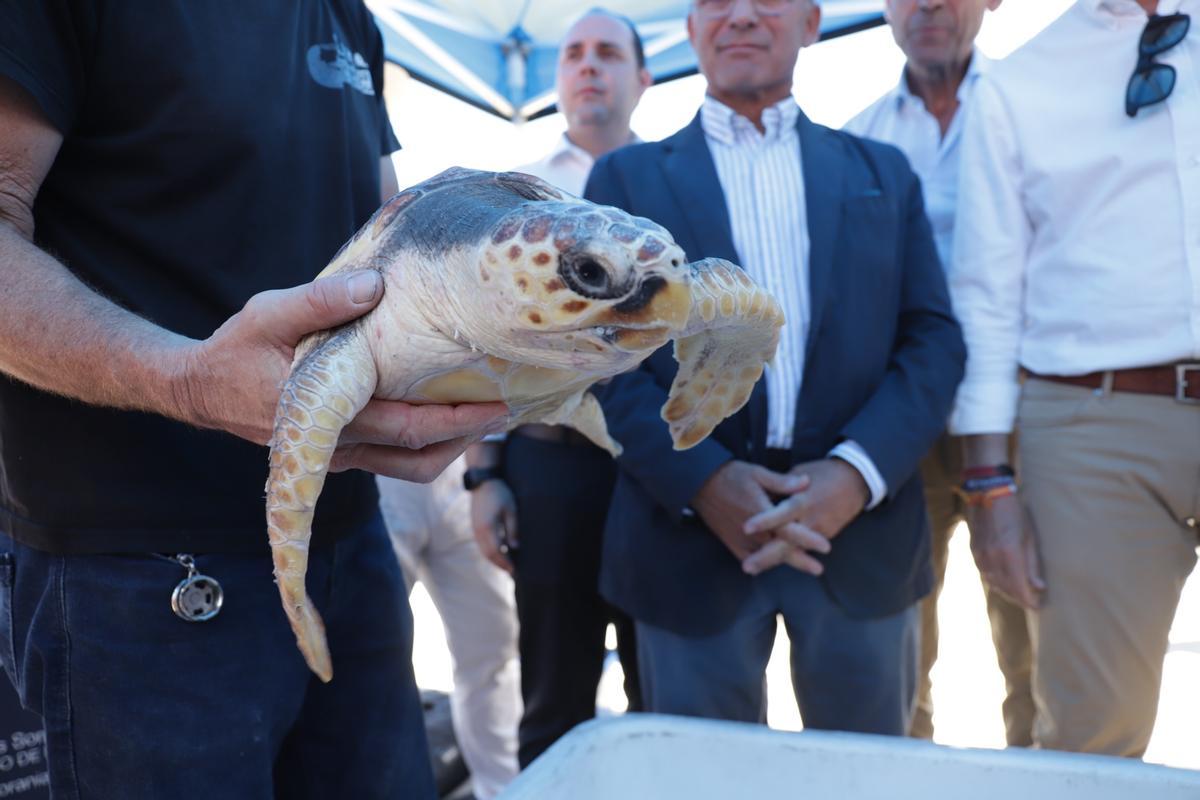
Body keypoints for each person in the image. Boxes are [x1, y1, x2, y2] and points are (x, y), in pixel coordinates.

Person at [0, 3, 507, 797]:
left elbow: (392, 229)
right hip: (132, 569)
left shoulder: (349, 16)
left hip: (352, 537)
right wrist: (191, 379)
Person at [584, 0, 965, 734]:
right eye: (716, 4)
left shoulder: (884, 173)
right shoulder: (624, 181)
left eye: (768, 1)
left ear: (812, 22)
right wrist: (705, 481)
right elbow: (599, 360)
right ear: (691, 30)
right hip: (687, 536)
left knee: (865, 780)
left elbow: (933, 340)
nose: (742, 17)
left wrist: (856, 472)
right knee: (703, 785)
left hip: (859, 536)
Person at [949, 0, 1199, 758]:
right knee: (1093, 739)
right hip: (1093, 428)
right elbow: (986, 302)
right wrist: (989, 487)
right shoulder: (1016, 83)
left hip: (1094, 419)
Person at [843, 0, 1034, 746]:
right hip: (900, 421)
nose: (926, 4)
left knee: (1037, 642)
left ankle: (1040, 780)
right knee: (898, 652)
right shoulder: (857, 140)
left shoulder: (1033, 109)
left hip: (1024, 415)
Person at [465, 7, 652, 767]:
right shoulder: (518, 199)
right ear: (557, 78)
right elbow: (478, 340)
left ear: (643, 78)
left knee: (662, 685)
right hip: (547, 469)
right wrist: (483, 474)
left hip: (653, 470)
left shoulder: (671, 179)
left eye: (609, 52)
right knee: (552, 695)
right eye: (574, 53)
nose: (588, 65)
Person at [376, 464, 520, 799]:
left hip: (461, 467)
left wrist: (485, 472)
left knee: (494, 647)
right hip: (374, 469)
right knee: (371, 663)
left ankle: (502, 788)